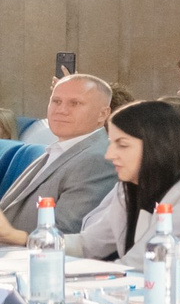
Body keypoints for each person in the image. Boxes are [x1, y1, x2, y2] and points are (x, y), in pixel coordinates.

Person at [53, 99, 180, 272]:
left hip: (178, 296)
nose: (109, 154)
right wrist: (35, 243)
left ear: (157, 146)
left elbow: (138, 266)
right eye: (111, 143)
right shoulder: (131, 186)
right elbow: (88, 245)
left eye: (122, 145)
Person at [0, 73, 116, 234]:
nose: (61, 110)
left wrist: (11, 236)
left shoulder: (98, 159)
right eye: (56, 101)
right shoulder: (60, 148)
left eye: (75, 103)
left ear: (103, 114)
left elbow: (65, 233)